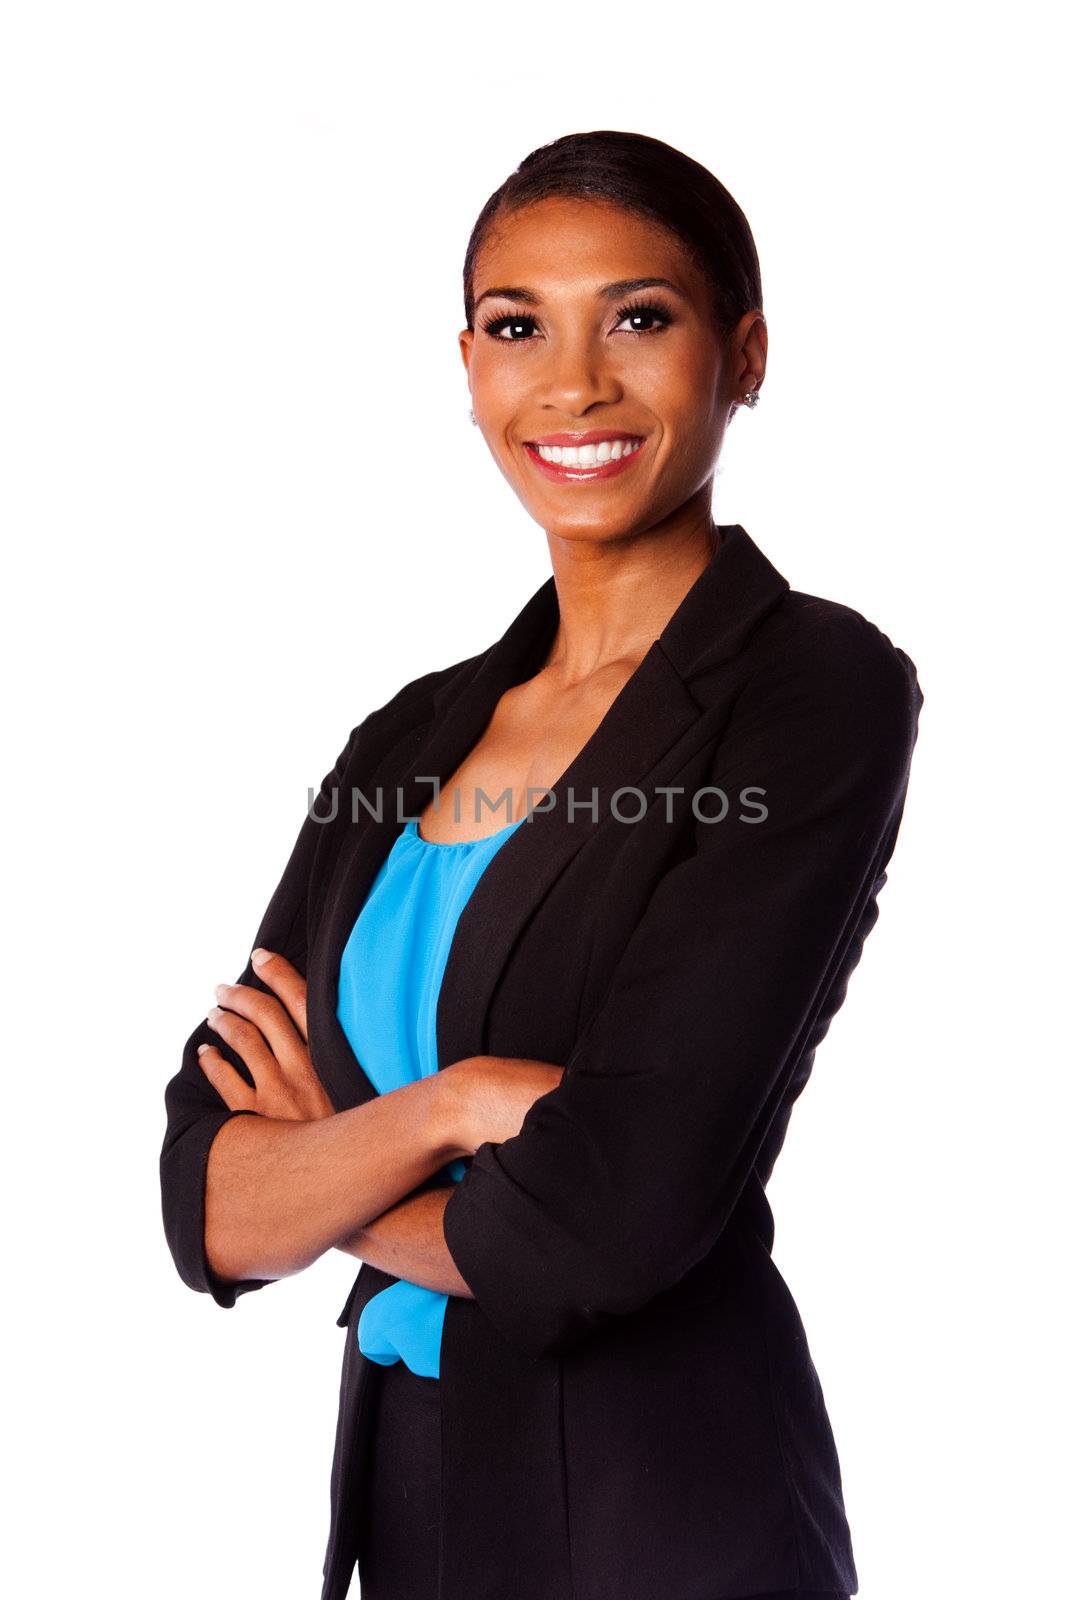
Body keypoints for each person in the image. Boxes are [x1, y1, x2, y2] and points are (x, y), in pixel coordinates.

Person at [160, 129, 924, 1600]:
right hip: (412, 1502)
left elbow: (609, 1224)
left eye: (640, 318)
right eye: (519, 328)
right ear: (466, 366)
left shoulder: (810, 687)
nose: (573, 384)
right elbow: (203, 1199)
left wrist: (327, 1176)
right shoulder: (410, 732)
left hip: (661, 1512)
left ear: (745, 353)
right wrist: (456, 1110)